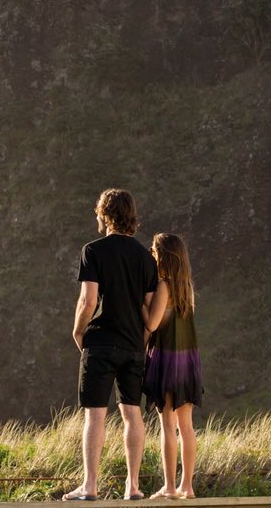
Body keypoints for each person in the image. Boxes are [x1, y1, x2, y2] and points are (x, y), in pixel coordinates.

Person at [63, 188, 157, 501]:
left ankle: (90, 486)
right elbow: (149, 309)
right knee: (133, 414)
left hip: (101, 342)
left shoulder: (93, 250)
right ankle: (133, 486)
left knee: (95, 414)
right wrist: (141, 342)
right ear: (131, 216)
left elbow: (88, 299)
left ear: (104, 214)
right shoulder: (146, 257)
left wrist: (79, 332)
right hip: (134, 344)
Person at [143, 233, 203, 500]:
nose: (151, 254)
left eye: (154, 251)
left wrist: (142, 305)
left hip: (166, 360)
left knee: (167, 426)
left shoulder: (164, 286)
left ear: (163, 255)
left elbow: (152, 324)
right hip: (188, 361)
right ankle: (187, 486)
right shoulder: (187, 288)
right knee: (186, 426)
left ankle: (169, 486)